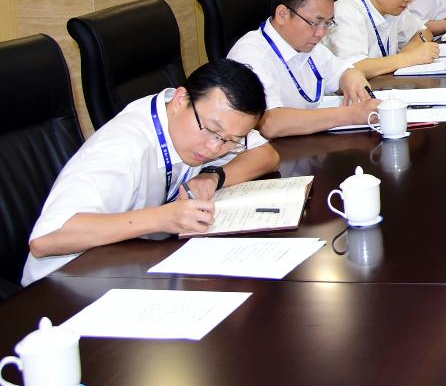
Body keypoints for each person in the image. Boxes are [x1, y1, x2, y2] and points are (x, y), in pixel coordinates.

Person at [22, 60, 280, 285]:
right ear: (181, 100)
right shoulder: (123, 148)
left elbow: (267, 155)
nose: (214, 148)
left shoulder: (204, 123)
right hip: (63, 285)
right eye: (212, 131)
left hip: (126, 263)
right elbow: (44, 240)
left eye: (231, 141)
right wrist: (163, 218)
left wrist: (213, 175)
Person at [227, 0, 376, 137]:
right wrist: (350, 115)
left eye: (327, 23)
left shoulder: (307, 44)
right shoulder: (250, 55)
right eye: (315, 22)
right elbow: (270, 123)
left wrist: (352, 77)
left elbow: (342, 71)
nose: (321, 33)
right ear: (282, 14)